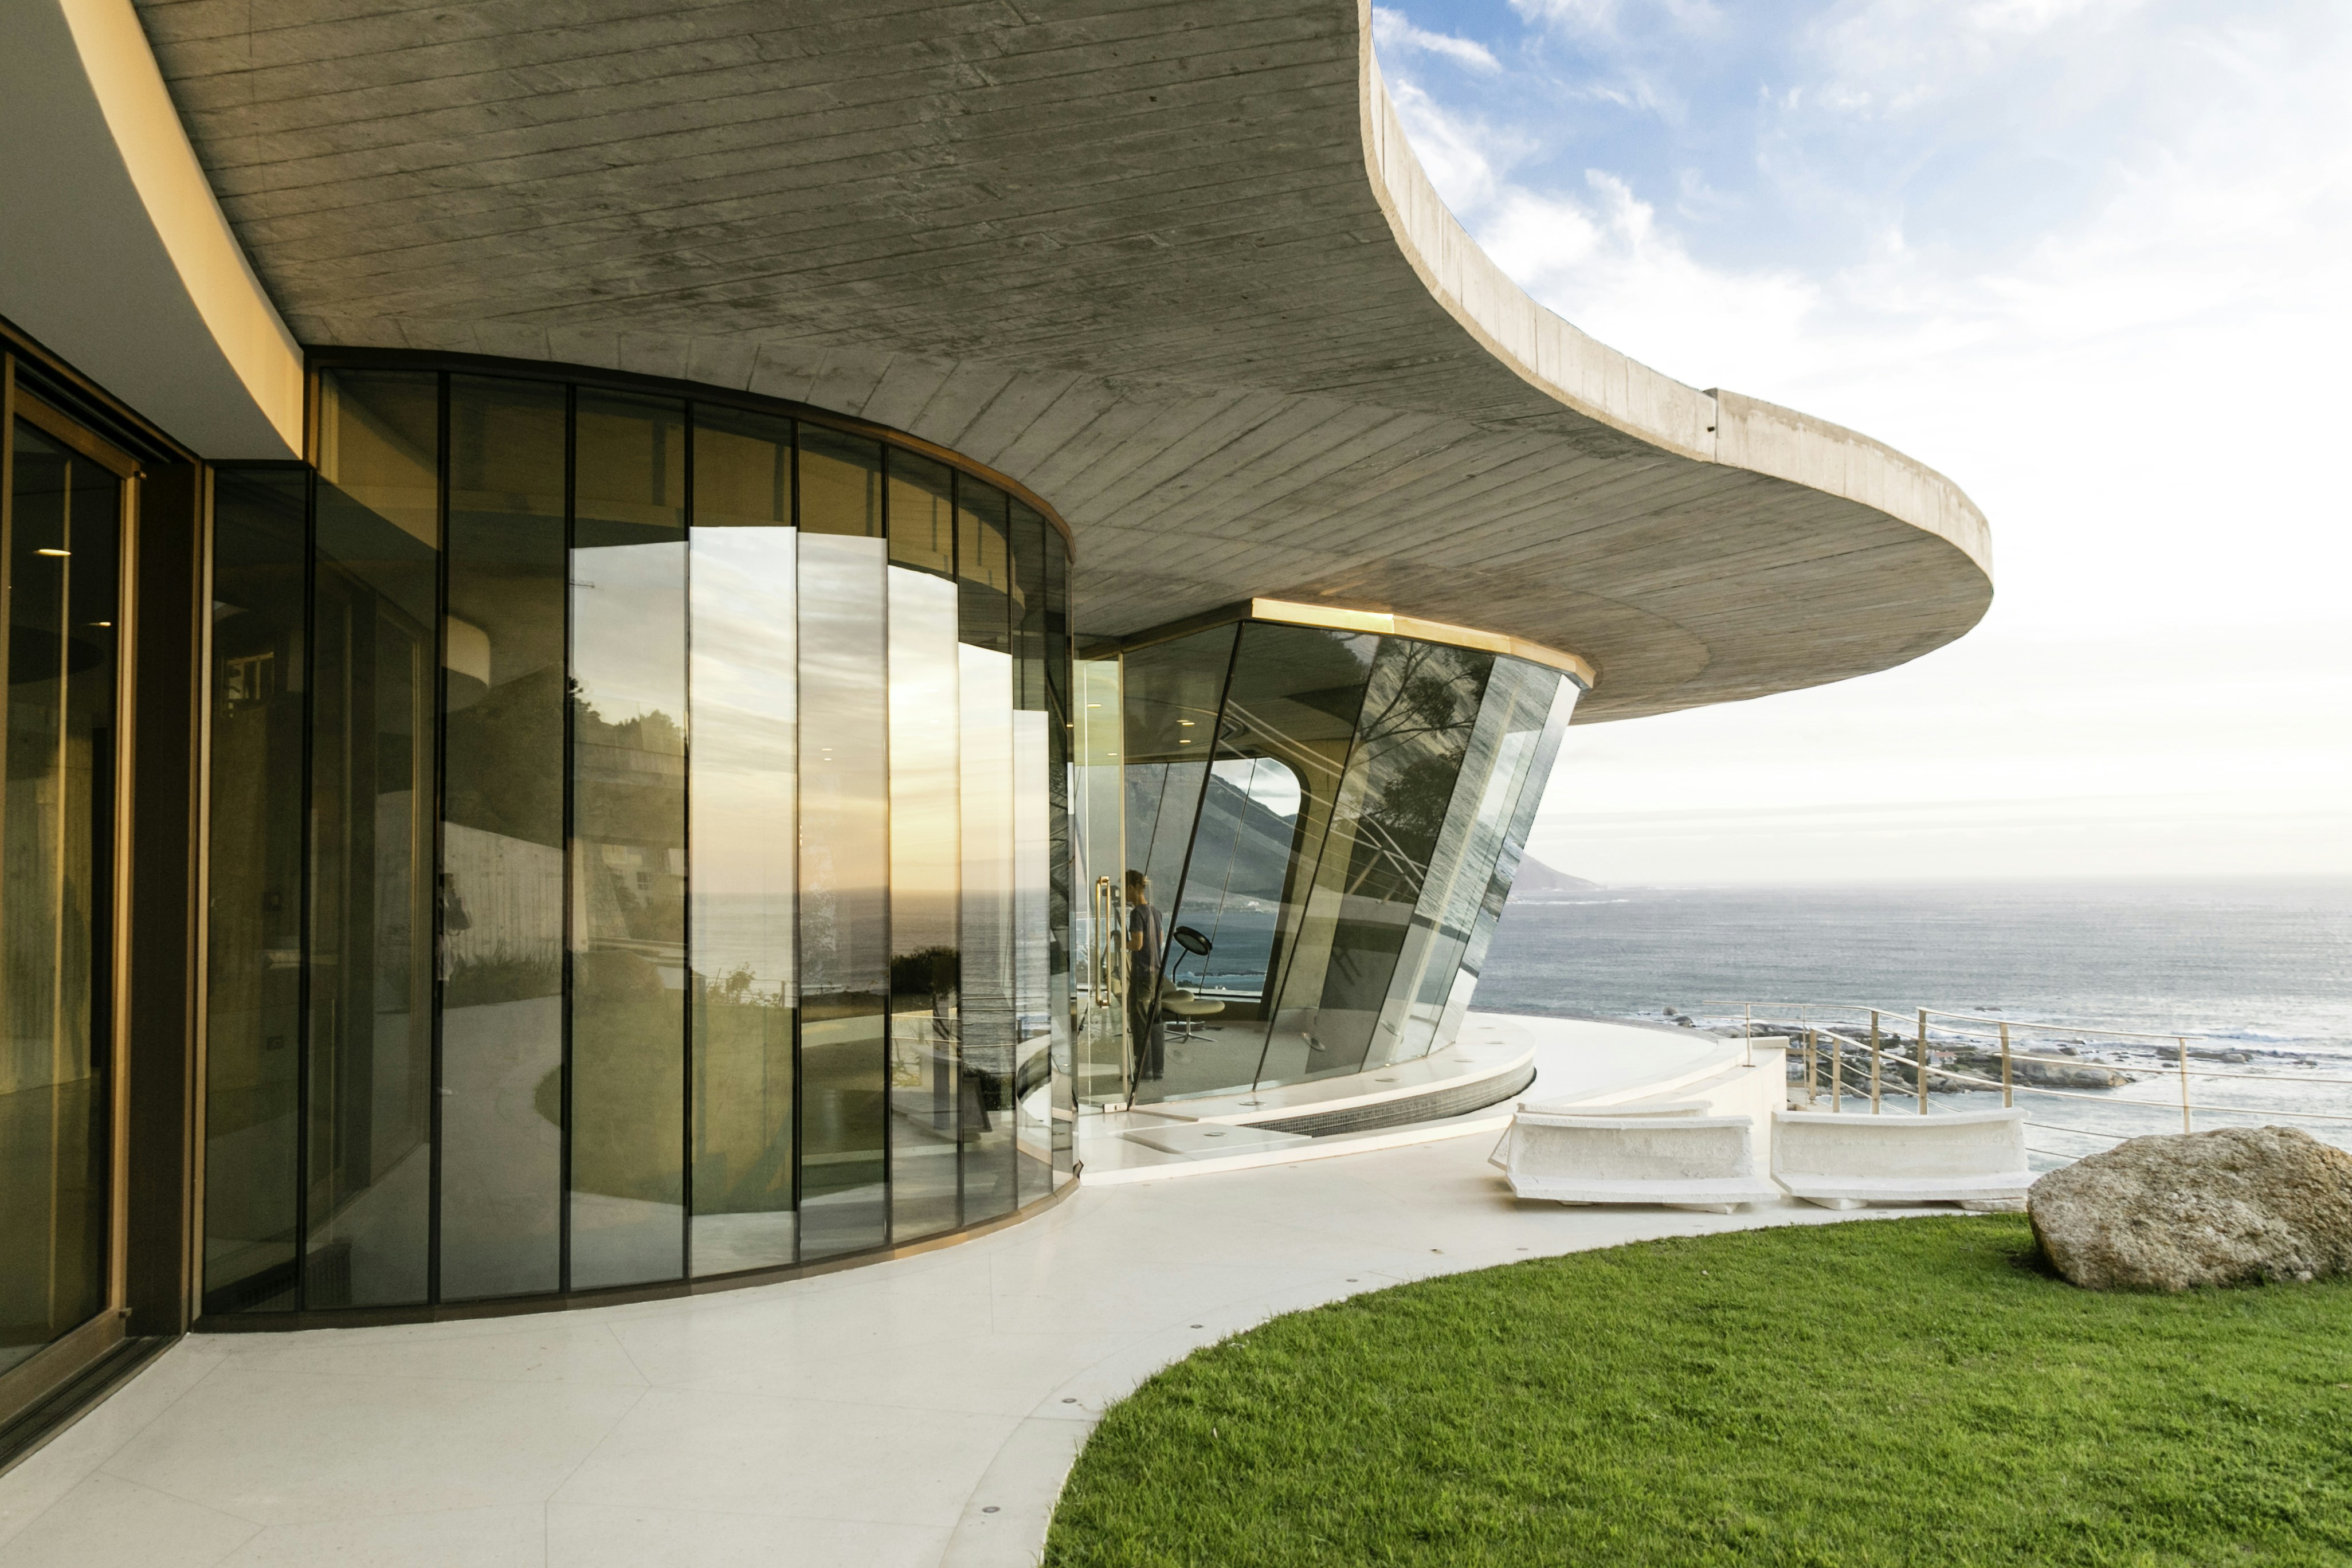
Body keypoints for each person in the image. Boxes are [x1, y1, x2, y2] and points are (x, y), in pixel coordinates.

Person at [1124, 868, 1166, 1087]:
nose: (1124, 894)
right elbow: (1159, 940)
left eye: (1125, 889)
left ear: (1132, 888)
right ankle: (1158, 1068)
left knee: (1140, 1024)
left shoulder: (1137, 914)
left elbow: (1138, 944)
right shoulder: (1156, 912)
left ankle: (1143, 1070)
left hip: (1142, 975)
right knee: (1156, 1022)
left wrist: (1121, 943)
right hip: (1157, 974)